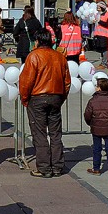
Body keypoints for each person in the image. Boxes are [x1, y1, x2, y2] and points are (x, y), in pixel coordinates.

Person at [19, 30, 72, 178]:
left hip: (37, 98)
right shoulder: (59, 57)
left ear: (37, 41)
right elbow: (67, 81)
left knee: (40, 134)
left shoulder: (34, 56)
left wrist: (25, 99)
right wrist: (61, 97)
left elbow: (26, 81)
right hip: (55, 96)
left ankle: (44, 168)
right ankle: (57, 167)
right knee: (55, 134)